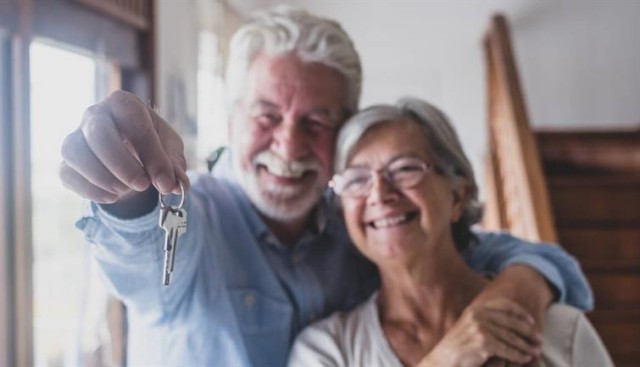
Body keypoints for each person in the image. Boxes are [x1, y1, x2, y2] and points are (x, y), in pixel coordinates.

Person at [59, 7, 593, 367]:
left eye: (316, 122)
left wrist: (518, 293)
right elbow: (144, 254)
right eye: (267, 115)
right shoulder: (192, 215)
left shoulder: (361, 217)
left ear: (346, 133)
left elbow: (477, 246)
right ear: (232, 116)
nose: (289, 146)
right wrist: (127, 194)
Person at [288, 98, 612, 367]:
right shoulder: (327, 351)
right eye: (357, 178)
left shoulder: (561, 331)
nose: (379, 193)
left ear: (457, 196)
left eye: (405, 169)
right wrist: (445, 360)